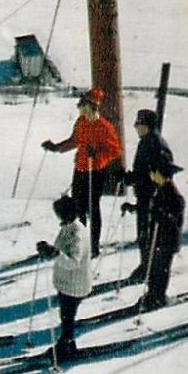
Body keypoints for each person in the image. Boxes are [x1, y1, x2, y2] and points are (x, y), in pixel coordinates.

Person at [41, 88, 122, 257]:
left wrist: (98, 156)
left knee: (92, 208)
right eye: (80, 106)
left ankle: (93, 246)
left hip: (96, 171)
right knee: (77, 208)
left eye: (84, 106)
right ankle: (79, 243)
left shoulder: (104, 127)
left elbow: (115, 151)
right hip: (80, 169)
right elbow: (74, 140)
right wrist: (57, 147)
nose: (81, 109)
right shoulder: (81, 122)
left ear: (93, 107)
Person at [36, 194, 92, 361]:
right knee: (65, 315)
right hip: (67, 282)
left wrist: (55, 253)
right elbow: (61, 249)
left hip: (75, 284)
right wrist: (49, 250)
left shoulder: (77, 234)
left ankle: (66, 345)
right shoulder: (68, 227)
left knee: (68, 316)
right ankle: (65, 343)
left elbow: (73, 261)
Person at [120, 109, 174, 281]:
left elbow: (162, 174)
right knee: (143, 234)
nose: (136, 127)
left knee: (150, 235)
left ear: (148, 126)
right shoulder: (146, 142)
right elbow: (143, 171)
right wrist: (132, 178)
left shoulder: (157, 144)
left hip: (155, 197)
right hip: (144, 195)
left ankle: (150, 269)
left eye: (140, 124)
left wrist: (138, 179)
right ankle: (145, 265)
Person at [142, 161, 185, 311]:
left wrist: (165, 216)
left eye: (154, 173)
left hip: (167, 240)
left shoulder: (172, 193)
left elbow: (177, 211)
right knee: (155, 268)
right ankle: (153, 293)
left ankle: (159, 296)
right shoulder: (160, 189)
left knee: (162, 269)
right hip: (158, 239)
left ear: (162, 176)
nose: (152, 176)